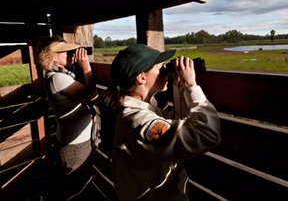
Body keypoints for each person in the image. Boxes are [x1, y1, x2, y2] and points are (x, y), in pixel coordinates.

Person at [101, 44, 221, 201]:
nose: (166, 70)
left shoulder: (132, 111)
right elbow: (207, 135)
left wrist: (180, 86)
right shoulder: (140, 122)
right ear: (141, 77)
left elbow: (179, 125)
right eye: (161, 67)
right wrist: (191, 86)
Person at [36, 35, 98, 200]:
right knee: (77, 188)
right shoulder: (58, 78)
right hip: (76, 145)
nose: (71, 55)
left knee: (78, 184)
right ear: (54, 58)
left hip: (76, 141)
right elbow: (91, 94)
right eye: (66, 52)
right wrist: (86, 67)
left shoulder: (59, 75)